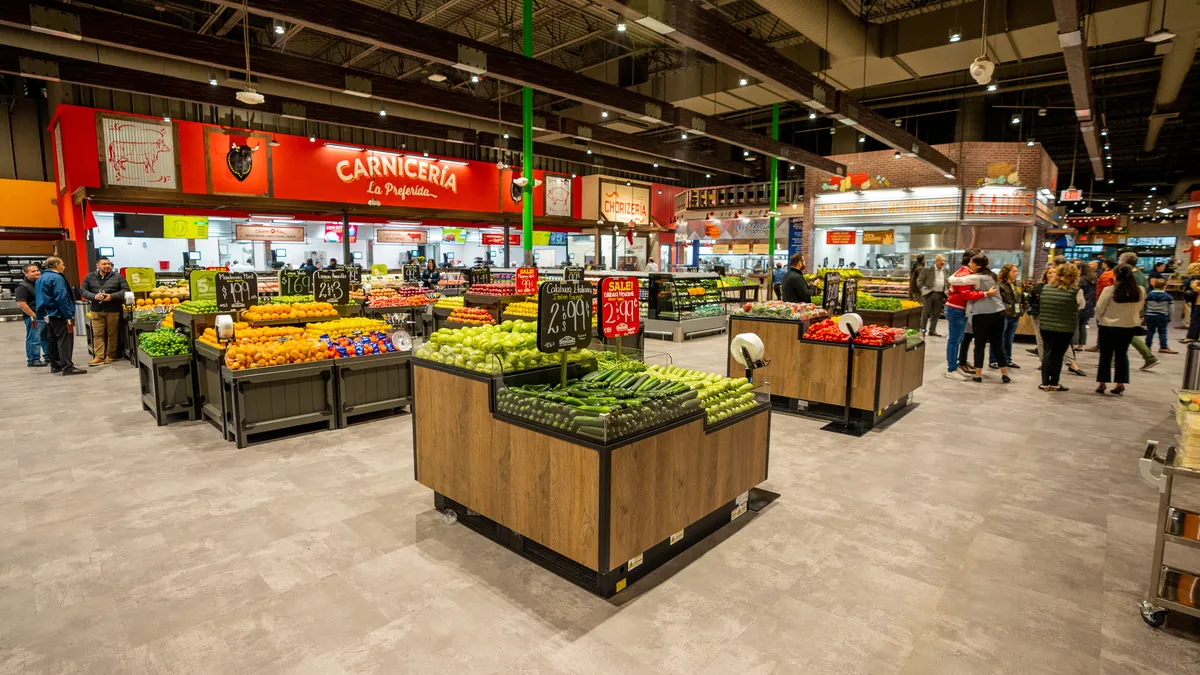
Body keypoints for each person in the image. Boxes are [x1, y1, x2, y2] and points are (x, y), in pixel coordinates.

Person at [958, 254, 1011, 384]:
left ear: (979, 265)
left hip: (982, 314)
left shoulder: (975, 277)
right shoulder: (992, 275)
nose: (969, 264)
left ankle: (978, 374)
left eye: (971, 262)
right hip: (998, 313)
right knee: (998, 344)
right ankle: (1004, 374)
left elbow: (954, 280)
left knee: (979, 345)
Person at [1095, 264, 1147, 395]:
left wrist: (1101, 319)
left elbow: (1099, 308)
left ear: (1116, 275)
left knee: (1105, 354)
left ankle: (1102, 382)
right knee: (1122, 354)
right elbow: (1140, 307)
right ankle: (1120, 383)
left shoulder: (1109, 290)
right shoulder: (1140, 290)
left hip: (1108, 326)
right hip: (1128, 326)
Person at [944, 249, 992, 380]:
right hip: (956, 309)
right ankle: (951, 369)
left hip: (958, 309)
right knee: (954, 340)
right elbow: (966, 294)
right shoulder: (966, 274)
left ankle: (955, 367)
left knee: (958, 340)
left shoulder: (964, 272)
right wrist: (986, 294)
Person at [35, 257, 86, 375]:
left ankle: (55, 365)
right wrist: (68, 314)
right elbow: (61, 297)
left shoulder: (41, 278)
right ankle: (67, 366)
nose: (64, 266)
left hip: (48, 314)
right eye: (62, 264)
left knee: (52, 340)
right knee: (65, 340)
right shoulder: (57, 277)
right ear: (56, 265)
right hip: (59, 313)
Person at [1038, 263, 1083, 392]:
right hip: (1066, 327)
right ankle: (1055, 383)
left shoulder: (1046, 287)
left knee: (1047, 353)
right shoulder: (1076, 290)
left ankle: (1045, 383)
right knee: (1058, 355)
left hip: (1046, 326)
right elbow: (1081, 305)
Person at [80, 256, 130, 365]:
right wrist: (93, 296)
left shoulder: (118, 277)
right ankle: (99, 357)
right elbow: (83, 290)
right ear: (98, 265)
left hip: (113, 310)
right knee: (98, 334)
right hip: (96, 310)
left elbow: (126, 291)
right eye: (104, 264)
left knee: (112, 333)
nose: (107, 266)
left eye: (109, 264)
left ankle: (111, 355)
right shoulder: (89, 277)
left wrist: (111, 296)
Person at [1120, 252, 1159, 370]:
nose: (1120, 262)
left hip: (1128, 308)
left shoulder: (1130, 275)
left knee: (1124, 333)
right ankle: (1149, 357)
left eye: (1121, 260)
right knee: (1123, 333)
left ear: (1126, 262)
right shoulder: (1141, 275)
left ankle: (1149, 357)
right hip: (1136, 308)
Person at [15, 264, 49, 367]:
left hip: (44, 316)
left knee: (45, 337)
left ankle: (48, 356)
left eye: (37, 270)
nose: (37, 272)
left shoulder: (39, 283)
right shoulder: (22, 287)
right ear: (25, 273)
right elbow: (21, 304)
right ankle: (33, 360)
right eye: (33, 271)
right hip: (33, 317)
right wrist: (33, 315)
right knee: (34, 339)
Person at [990, 263, 1023, 370]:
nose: (1016, 273)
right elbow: (997, 299)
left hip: (1015, 315)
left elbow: (1021, 298)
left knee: (1009, 339)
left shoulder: (1018, 284)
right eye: (1014, 271)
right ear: (1007, 272)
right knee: (998, 338)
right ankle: (993, 360)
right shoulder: (1000, 284)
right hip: (1003, 315)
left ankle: (1008, 359)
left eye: (1017, 271)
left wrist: (1023, 308)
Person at [917, 254, 947, 336]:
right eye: (941, 261)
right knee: (925, 312)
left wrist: (946, 290)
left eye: (944, 261)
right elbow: (919, 280)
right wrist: (923, 290)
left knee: (936, 314)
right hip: (929, 294)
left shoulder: (945, 270)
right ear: (936, 261)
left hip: (940, 294)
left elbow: (945, 281)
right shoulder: (927, 269)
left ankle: (932, 330)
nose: (943, 262)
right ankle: (923, 329)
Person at [1145, 278, 1176, 354]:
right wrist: (1170, 318)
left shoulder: (1148, 295)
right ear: (1165, 286)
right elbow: (1171, 309)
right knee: (1162, 332)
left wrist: (1144, 315)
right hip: (1162, 316)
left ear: (1154, 285)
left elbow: (1144, 305)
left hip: (1150, 315)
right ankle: (1163, 347)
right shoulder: (1168, 296)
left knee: (1150, 331)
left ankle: (1147, 347)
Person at [1075, 260, 1097, 350]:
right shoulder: (1093, 279)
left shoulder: (1081, 280)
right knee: (1082, 325)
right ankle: (1081, 345)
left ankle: (1074, 343)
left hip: (1081, 304)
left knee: (1075, 324)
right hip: (1090, 305)